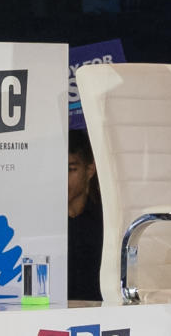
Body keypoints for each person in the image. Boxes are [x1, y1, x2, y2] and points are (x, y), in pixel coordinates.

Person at [67, 129, 103, 301]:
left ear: (90, 170)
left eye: (70, 169)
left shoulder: (108, 221)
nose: (61, 177)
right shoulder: (40, 221)